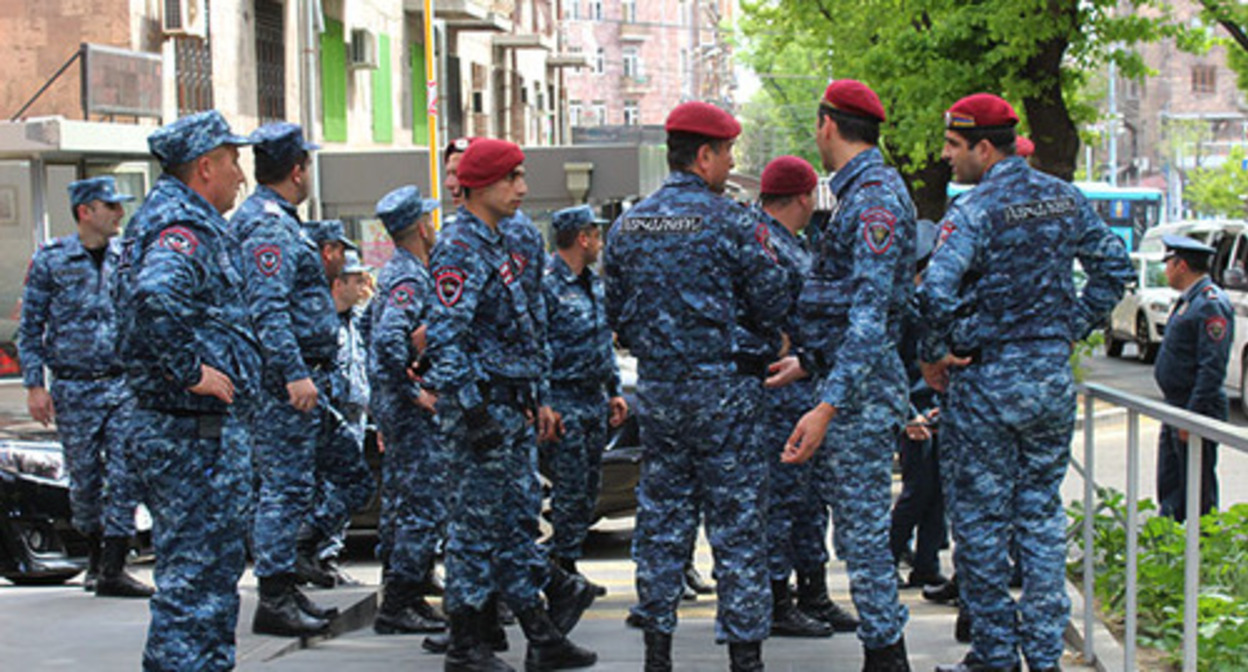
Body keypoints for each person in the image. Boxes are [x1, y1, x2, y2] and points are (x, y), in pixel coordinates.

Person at [918, 93, 1133, 672]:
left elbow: (934, 293)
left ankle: (993, 654)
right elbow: (1115, 267)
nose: (946, 156)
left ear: (984, 147)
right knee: (1039, 517)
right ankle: (1043, 656)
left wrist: (936, 354)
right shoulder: (1064, 198)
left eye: (954, 145)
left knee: (982, 523)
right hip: (1048, 382)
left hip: (987, 383)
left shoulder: (975, 210)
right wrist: (1070, 327)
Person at [604, 101, 790, 672]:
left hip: (659, 392)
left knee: (661, 521)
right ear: (704, 155)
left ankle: (657, 653)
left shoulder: (628, 225)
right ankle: (745, 658)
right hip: (726, 394)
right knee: (736, 528)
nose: (731, 163)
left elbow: (614, 313)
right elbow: (774, 301)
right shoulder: (734, 222)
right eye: (728, 152)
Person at [422, 138, 598, 672]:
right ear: (480, 186)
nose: (522, 188)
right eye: (511, 179)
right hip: (482, 409)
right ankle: (466, 644)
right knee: (475, 530)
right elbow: (446, 339)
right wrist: (473, 414)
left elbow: (526, 330)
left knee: (516, 522)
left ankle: (541, 633)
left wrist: (536, 396)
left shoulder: (498, 241)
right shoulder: (460, 246)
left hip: (511, 404)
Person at [768, 80, 916, 671]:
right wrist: (808, 360)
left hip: (857, 397)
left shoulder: (872, 201)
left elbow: (871, 317)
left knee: (861, 538)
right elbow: (849, 306)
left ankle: (886, 657)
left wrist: (825, 404)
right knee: (856, 536)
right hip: (847, 383)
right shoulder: (859, 195)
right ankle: (885, 652)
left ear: (828, 124)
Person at [115, 109, 261, 671]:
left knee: (202, 576)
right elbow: (156, 297)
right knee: (196, 579)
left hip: (190, 431)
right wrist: (190, 370)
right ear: (205, 167)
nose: (240, 176)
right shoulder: (184, 228)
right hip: (189, 434)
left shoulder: (172, 219)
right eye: (232, 162)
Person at [18, 176, 153, 599]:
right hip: (75, 387)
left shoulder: (125, 258)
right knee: (85, 481)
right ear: (85, 212)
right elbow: (30, 327)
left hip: (120, 384)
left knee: (126, 472)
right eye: (109, 206)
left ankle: (114, 563)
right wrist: (35, 386)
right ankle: (96, 559)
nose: (118, 214)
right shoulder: (51, 260)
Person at [228, 122, 339, 637]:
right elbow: (266, 308)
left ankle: (284, 584)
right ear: (297, 170)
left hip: (298, 378)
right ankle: (272, 597)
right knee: (283, 489)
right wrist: (294, 373)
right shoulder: (268, 225)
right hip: (281, 386)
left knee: (296, 487)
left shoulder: (281, 220)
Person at [746, 156, 841, 640]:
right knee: (781, 500)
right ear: (804, 198)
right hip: (779, 393)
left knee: (809, 500)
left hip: (806, 385)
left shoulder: (793, 244)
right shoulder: (761, 243)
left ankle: (813, 593)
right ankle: (777, 599)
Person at [367, 186, 449, 635]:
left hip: (397, 406)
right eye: (430, 221)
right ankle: (398, 603)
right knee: (422, 505)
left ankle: (406, 592)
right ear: (420, 227)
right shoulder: (410, 278)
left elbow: (370, 328)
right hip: (411, 413)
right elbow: (385, 341)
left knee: (402, 502)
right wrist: (411, 390)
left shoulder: (401, 271)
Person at [540, 204, 629, 597]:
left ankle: (570, 566)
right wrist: (544, 403)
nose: (600, 243)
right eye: (597, 235)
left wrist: (614, 392)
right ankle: (558, 571)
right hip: (563, 402)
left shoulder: (592, 284)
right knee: (567, 492)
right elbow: (537, 350)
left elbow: (603, 342)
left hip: (593, 400)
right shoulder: (546, 286)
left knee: (587, 492)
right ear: (583, 238)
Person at [298, 220, 376, 589]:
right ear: (337, 282)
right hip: (326, 415)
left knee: (347, 489)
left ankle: (325, 555)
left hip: (354, 413)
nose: (363, 287)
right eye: (356, 279)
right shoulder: (319, 322)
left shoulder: (355, 322)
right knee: (328, 488)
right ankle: (307, 551)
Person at [1153, 234, 1232, 522]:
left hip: (1193, 406)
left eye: (1169, 264)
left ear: (1181, 265)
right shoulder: (1192, 300)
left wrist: (1193, 416)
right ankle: (1171, 546)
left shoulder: (1210, 304)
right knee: (1172, 482)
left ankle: (1201, 550)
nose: (1166, 271)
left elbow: (1212, 367)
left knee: (1196, 487)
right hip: (1177, 404)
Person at [889, 219, 949, 591]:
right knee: (917, 489)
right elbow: (893, 367)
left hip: (934, 406)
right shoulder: (903, 309)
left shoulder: (930, 304)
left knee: (937, 489)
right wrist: (907, 413)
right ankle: (890, 556)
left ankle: (927, 563)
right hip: (912, 407)